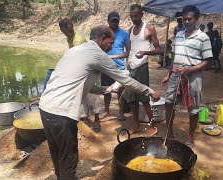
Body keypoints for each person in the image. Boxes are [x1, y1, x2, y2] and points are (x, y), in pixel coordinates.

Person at [39, 25, 160, 180]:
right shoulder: (97, 54)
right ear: (102, 38)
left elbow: (84, 84)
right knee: (69, 158)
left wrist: (107, 89)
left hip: (45, 107)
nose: (110, 47)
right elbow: (126, 80)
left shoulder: (75, 50)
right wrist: (150, 91)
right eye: (110, 43)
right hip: (62, 113)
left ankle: (61, 176)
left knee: (57, 152)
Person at [161, 5, 213, 148]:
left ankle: (190, 136)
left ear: (196, 19)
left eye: (189, 19)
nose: (187, 22)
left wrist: (190, 70)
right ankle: (169, 133)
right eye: (184, 19)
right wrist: (168, 74)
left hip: (193, 77)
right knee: (169, 103)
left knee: (193, 108)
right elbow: (174, 58)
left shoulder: (203, 38)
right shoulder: (179, 34)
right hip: (176, 75)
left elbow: (208, 61)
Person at [122, 4, 162, 136]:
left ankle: (152, 126)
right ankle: (137, 125)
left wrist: (145, 52)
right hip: (132, 68)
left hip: (142, 68)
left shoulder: (149, 28)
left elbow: (158, 50)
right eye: (132, 16)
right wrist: (128, 63)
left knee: (145, 99)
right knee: (132, 100)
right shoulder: (130, 30)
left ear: (141, 15)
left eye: (136, 16)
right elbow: (129, 50)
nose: (134, 18)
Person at [100, 11, 130, 121]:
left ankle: (121, 112)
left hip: (119, 67)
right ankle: (107, 111)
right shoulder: (103, 33)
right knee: (106, 90)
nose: (114, 23)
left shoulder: (124, 34)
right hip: (105, 67)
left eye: (116, 21)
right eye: (112, 21)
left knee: (120, 91)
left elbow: (127, 52)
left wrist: (112, 57)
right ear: (108, 21)